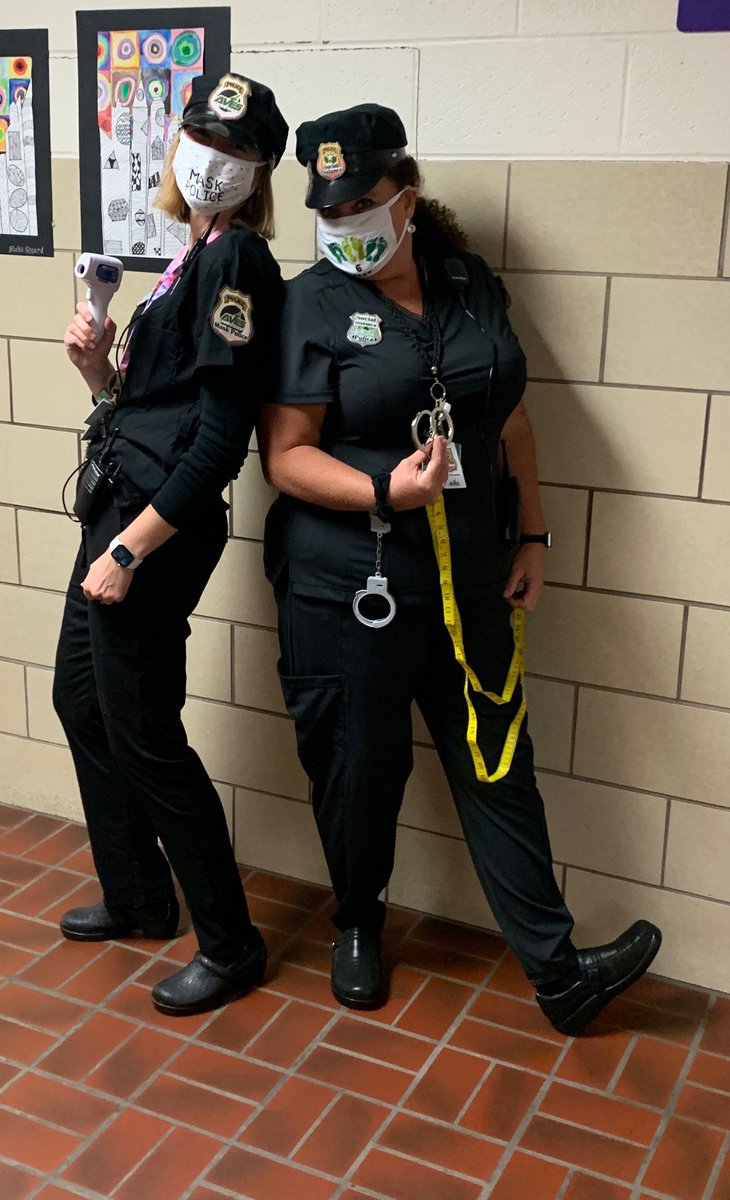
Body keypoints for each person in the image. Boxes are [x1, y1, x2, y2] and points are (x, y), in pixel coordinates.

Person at [258, 103, 662, 1036]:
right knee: (361, 768)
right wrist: (385, 491)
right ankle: (358, 924)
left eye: (362, 203)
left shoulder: (467, 283)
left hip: (473, 574)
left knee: (498, 759)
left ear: (406, 197)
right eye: (329, 210)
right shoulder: (310, 303)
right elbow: (284, 457)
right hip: (351, 586)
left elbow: (510, 417)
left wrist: (534, 535)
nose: (346, 224)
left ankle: (558, 971)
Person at [54, 73, 288, 1017]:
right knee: (81, 700)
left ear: (257, 173)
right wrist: (97, 369)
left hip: (155, 528)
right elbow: (154, 410)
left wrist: (130, 552)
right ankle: (139, 895)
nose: (210, 161)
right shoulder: (188, 257)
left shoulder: (239, 265)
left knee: (146, 734)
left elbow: (221, 442)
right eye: (201, 139)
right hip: (121, 506)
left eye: (234, 151)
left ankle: (231, 945)